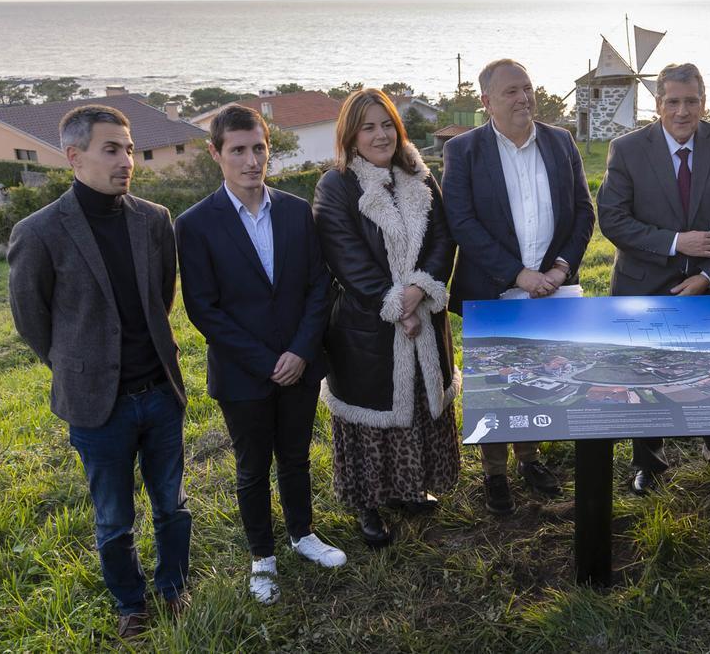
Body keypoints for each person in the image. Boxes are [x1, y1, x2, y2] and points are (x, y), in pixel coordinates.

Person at [7, 105, 189, 639]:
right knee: (113, 518)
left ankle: (173, 590)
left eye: (129, 149)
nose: (126, 159)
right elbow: (31, 322)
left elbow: (163, 298)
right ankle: (130, 604)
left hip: (159, 392)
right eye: (112, 149)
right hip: (96, 405)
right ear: (74, 156)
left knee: (172, 507)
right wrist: (80, 367)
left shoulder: (154, 219)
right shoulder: (38, 232)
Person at [175, 105, 344, 605]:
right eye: (238, 150)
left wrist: (299, 351)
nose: (252, 160)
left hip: (301, 364)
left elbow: (320, 286)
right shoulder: (195, 224)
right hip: (242, 372)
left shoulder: (296, 211)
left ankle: (303, 534)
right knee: (252, 467)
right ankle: (262, 557)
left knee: (294, 457)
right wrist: (265, 360)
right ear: (216, 154)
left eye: (259, 148)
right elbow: (203, 309)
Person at [442, 59, 595, 514]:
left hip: (554, 287)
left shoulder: (560, 141)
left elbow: (584, 212)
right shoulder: (463, 150)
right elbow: (461, 222)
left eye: (527, 88)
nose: (522, 98)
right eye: (510, 91)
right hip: (495, 289)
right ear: (486, 101)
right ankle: (495, 473)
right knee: (493, 383)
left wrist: (561, 268)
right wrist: (517, 273)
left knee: (535, 377)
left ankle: (529, 459)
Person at [596, 62, 710, 496]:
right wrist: (675, 242)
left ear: (704, 102)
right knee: (646, 375)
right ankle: (648, 461)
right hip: (643, 285)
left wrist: (708, 275)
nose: (682, 111)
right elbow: (611, 219)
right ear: (657, 104)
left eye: (691, 101)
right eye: (673, 102)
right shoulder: (627, 149)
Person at [312, 89, 460, 544]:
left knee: (417, 402)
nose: (380, 135)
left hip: (424, 316)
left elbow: (443, 240)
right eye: (368, 127)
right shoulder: (335, 185)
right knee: (370, 417)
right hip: (366, 326)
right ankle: (368, 505)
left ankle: (411, 488)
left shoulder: (418, 175)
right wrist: (395, 303)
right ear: (350, 135)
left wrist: (418, 293)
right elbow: (346, 258)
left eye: (387, 125)